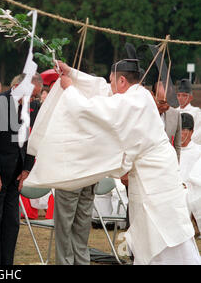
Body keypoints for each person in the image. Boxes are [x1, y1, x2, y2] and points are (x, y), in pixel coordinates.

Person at [25, 59, 200, 265]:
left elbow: (93, 109)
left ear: (123, 80)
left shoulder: (134, 101)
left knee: (164, 235)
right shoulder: (138, 94)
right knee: (154, 235)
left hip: (155, 180)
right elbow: (100, 87)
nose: (110, 86)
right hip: (149, 176)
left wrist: (71, 89)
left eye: (113, 81)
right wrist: (72, 73)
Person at [0, 73, 42, 265]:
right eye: (31, 94)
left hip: (15, 174)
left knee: (11, 223)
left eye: (35, 96)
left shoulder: (30, 107)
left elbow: (32, 138)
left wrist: (27, 168)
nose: (33, 99)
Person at [152, 81, 182, 161]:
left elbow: (177, 146)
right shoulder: (142, 114)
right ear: (152, 95)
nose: (165, 106)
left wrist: (176, 168)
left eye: (168, 102)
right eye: (161, 102)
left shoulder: (175, 115)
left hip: (168, 166)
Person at [176, 79, 201, 145]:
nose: (180, 98)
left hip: (190, 146)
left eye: (184, 95)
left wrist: (186, 143)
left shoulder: (196, 112)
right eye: (178, 95)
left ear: (190, 98)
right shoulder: (174, 111)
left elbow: (198, 133)